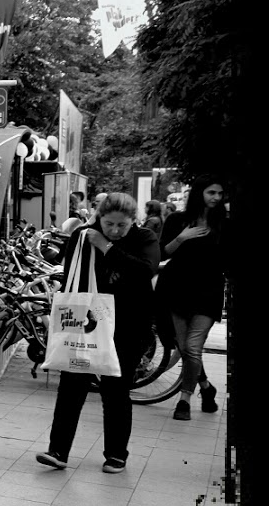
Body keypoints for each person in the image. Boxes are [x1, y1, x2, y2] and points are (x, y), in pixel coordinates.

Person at [37, 193, 161, 475]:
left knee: (116, 390)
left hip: (128, 325)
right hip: (86, 320)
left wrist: (106, 246)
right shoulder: (83, 235)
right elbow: (72, 275)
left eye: (121, 225)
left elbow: (146, 271)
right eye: (109, 224)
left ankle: (116, 455)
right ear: (99, 217)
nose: (115, 230)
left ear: (133, 221)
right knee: (71, 385)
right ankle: (57, 451)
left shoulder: (144, 238)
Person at [156, 179, 228, 420]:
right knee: (186, 348)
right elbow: (162, 253)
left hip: (209, 292)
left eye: (220, 193)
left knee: (192, 347)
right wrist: (182, 238)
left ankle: (184, 400)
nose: (216, 197)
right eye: (211, 192)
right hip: (177, 289)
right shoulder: (177, 220)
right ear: (199, 193)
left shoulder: (224, 224)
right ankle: (206, 388)